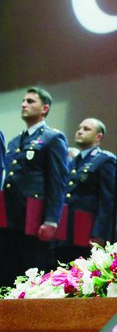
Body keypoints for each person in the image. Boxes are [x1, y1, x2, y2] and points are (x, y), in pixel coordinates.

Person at [0, 87, 69, 287]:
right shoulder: (14, 141)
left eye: (30, 101)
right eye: (23, 101)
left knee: (29, 274)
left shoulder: (52, 138)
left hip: (33, 220)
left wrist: (51, 220)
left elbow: (58, 181)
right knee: (6, 274)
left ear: (44, 108)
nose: (24, 104)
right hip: (9, 219)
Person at [52, 118, 116, 264]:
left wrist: (100, 235)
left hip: (85, 232)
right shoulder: (71, 162)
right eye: (79, 128)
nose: (80, 131)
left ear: (99, 136)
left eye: (86, 129)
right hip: (65, 232)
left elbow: (107, 201)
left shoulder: (104, 160)